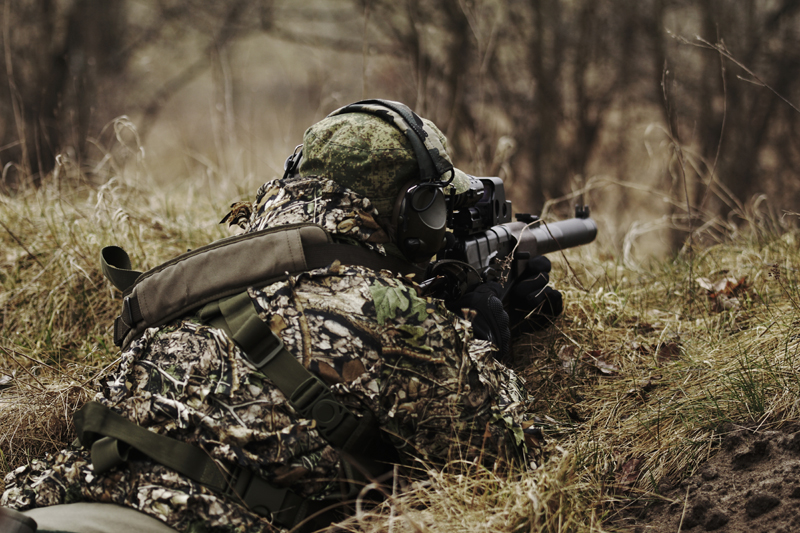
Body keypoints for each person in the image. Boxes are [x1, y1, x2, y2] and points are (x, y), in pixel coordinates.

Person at [0, 100, 562, 532]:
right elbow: (506, 465)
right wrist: (484, 339)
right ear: (417, 212)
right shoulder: (394, 314)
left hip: (46, 502)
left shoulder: (213, 273)